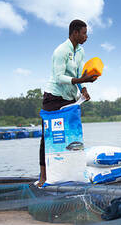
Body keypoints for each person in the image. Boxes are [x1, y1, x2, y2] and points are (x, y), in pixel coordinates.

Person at [37, 19, 98, 187]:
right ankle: (43, 176)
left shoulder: (81, 51)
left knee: (71, 135)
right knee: (48, 136)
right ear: (75, 33)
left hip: (70, 98)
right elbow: (59, 77)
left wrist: (83, 88)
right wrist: (80, 79)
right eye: (84, 33)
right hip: (54, 98)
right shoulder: (61, 51)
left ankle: (68, 174)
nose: (86, 36)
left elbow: (79, 72)